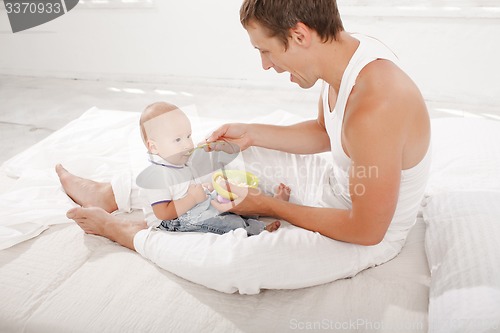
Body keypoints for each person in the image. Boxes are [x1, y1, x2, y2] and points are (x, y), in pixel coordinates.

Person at [57, 0, 431, 293]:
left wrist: (269, 205)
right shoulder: (343, 54)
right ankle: (113, 193)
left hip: (362, 233)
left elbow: (367, 231)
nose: (266, 65)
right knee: (229, 151)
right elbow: (325, 131)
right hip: (335, 188)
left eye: (266, 51)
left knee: (239, 263)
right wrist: (251, 134)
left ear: (299, 34)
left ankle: (129, 232)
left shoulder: (377, 105)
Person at [134, 101, 282, 235]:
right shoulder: (156, 177)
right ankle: (257, 230)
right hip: (173, 221)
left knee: (230, 200)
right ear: (153, 147)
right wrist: (192, 198)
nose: (187, 144)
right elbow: (163, 213)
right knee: (222, 221)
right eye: (178, 139)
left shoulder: (176, 161)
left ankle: (267, 207)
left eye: (188, 136)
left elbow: (183, 187)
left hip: (194, 204)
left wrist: (204, 188)